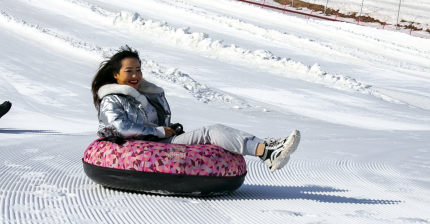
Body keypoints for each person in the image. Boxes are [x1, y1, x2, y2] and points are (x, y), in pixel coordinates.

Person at [91, 46, 300, 172]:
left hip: (158, 144)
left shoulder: (143, 96)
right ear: (116, 75)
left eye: (138, 70)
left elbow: (153, 125)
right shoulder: (111, 100)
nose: (136, 75)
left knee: (214, 130)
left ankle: (266, 149)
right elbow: (120, 127)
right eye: (129, 71)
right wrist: (158, 131)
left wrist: (166, 128)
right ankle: (266, 152)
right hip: (143, 148)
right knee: (210, 131)